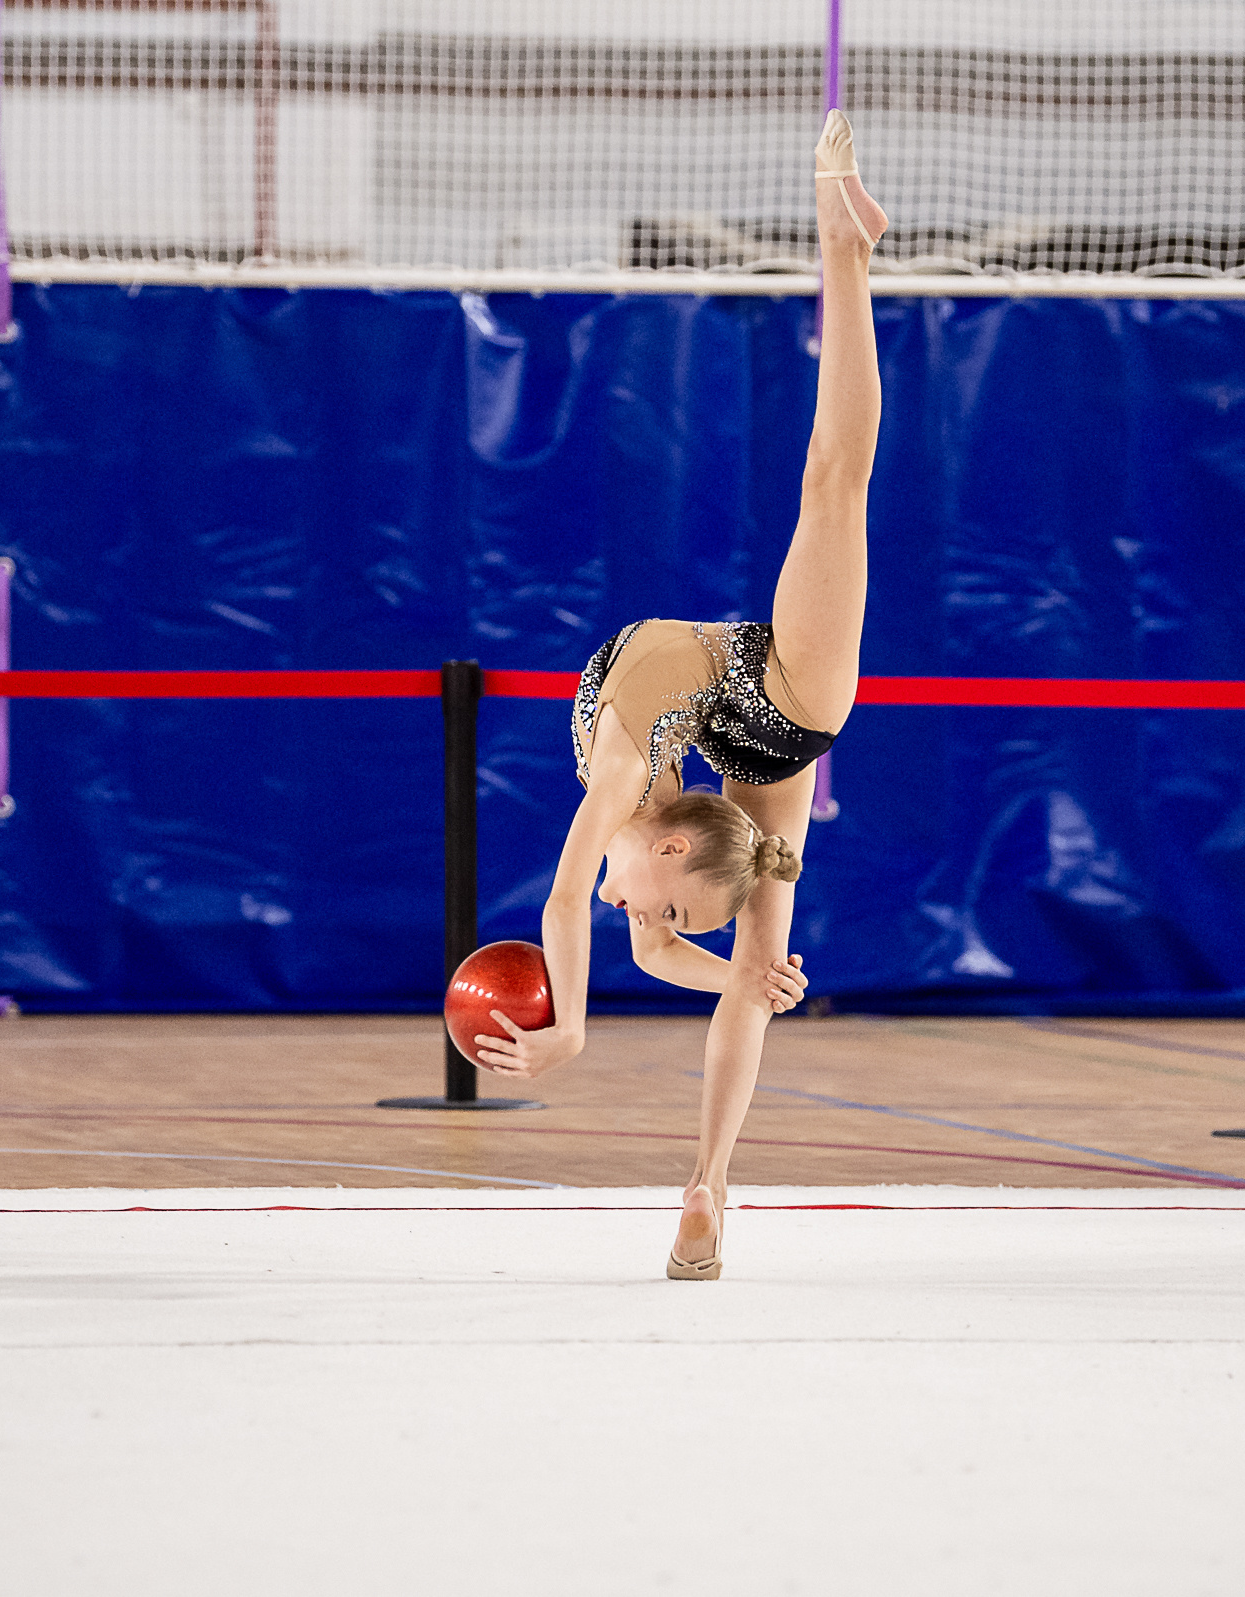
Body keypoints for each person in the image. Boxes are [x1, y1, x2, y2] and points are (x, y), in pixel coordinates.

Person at [467, 110, 888, 1281]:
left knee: (752, 971)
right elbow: (571, 911)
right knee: (833, 484)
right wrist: (578, 1028)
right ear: (663, 845)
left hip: (746, 700)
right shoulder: (621, 788)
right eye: (679, 907)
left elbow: (640, 935)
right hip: (783, 703)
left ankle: (707, 1189)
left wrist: (717, 967)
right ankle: (841, 246)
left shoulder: (645, 820)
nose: (651, 920)